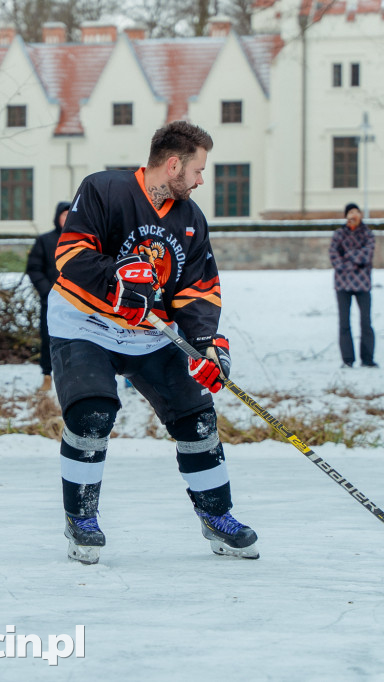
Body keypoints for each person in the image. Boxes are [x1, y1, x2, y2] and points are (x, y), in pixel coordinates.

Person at [48, 120, 258, 564]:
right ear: (174, 164)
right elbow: (72, 254)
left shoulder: (190, 219)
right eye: (198, 170)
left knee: (197, 417)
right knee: (92, 411)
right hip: (85, 321)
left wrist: (206, 344)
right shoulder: (105, 189)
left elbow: (198, 289)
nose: (202, 180)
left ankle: (217, 515)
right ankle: (80, 518)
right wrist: (119, 280)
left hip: (148, 333)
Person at [26, 201, 71, 391]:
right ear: (57, 217)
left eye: (70, 215)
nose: (67, 219)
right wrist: (48, 291)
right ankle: (47, 375)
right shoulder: (45, 241)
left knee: (75, 340)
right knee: (49, 338)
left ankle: (71, 377)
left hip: (77, 302)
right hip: (52, 301)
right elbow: (34, 269)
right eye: (63, 215)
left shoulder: (82, 241)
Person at [329, 203, 376, 368]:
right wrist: (353, 262)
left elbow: (367, 255)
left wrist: (347, 255)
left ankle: (367, 359)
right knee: (344, 323)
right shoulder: (339, 234)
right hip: (342, 284)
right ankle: (347, 359)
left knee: (366, 322)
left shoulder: (368, 234)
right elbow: (334, 257)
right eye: (350, 212)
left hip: (362, 284)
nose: (354, 215)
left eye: (356, 212)